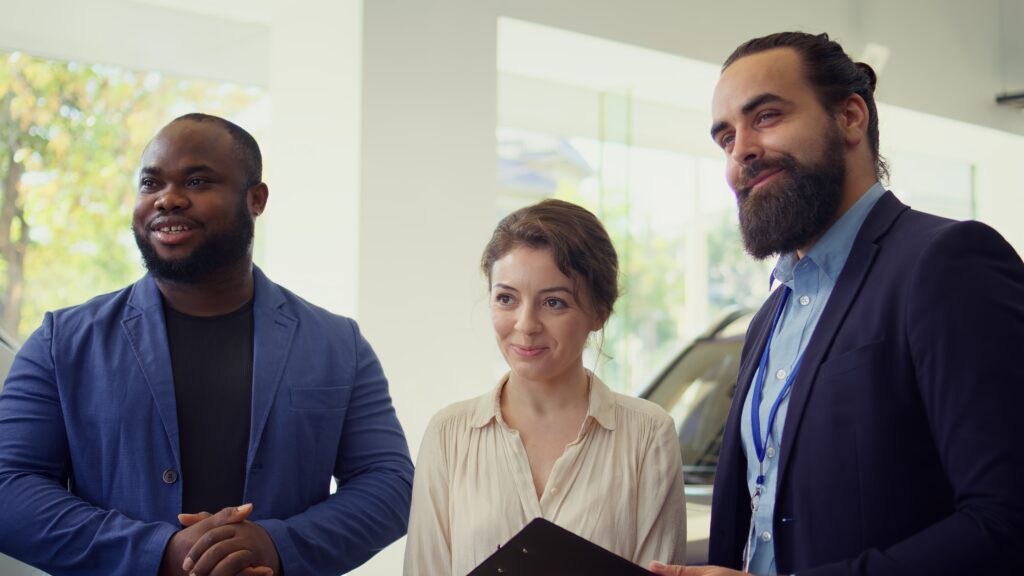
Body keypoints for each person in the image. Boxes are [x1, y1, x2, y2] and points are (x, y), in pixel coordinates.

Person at [649, 31, 1024, 576]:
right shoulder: (766, 322)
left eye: (767, 116)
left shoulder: (947, 262)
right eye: (726, 138)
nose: (742, 151)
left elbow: (1007, 522)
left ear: (850, 117)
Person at [0, 113, 414, 576]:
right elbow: (8, 486)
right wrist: (157, 553)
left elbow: (390, 484)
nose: (168, 199)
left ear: (255, 199)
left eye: (197, 181)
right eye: (150, 183)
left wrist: (276, 546)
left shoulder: (338, 345)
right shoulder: (63, 342)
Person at [404, 199, 686, 575]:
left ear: (599, 312)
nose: (526, 324)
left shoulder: (648, 433)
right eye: (506, 298)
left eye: (554, 302)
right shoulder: (449, 434)